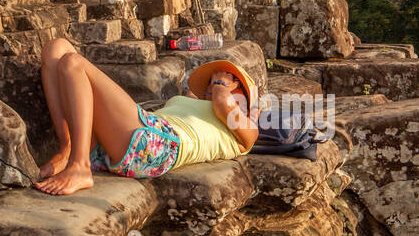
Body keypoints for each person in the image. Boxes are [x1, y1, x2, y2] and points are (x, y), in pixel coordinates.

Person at [35, 39, 259, 196]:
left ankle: (80, 165)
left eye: (228, 81)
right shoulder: (196, 103)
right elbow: (204, 98)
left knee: (73, 63)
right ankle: (68, 149)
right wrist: (212, 88)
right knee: (56, 48)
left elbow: (223, 104)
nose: (214, 85)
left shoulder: (245, 132)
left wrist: (222, 86)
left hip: (157, 144)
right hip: (141, 132)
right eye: (211, 82)